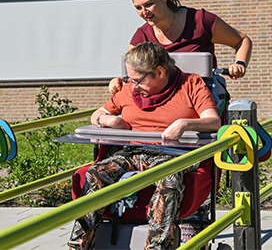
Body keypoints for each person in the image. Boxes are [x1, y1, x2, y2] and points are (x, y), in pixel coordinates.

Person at [68, 42, 221, 250]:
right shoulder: (129, 89)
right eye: (130, 79)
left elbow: (213, 121)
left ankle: (157, 247)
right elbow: (97, 114)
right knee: (94, 173)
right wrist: (109, 120)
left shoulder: (191, 84)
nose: (133, 85)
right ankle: (79, 245)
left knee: (169, 177)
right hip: (132, 152)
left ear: (159, 72)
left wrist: (184, 124)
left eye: (138, 80)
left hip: (173, 154)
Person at [109, 0, 252, 94]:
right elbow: (131, 76)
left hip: (203, 97)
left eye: (148, 4)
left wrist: (239, 63)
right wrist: (118, 81)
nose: (144, 12)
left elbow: (242, 40)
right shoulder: (142, 36)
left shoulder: (200, 21)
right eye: (138, 8)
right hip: (165, 100)